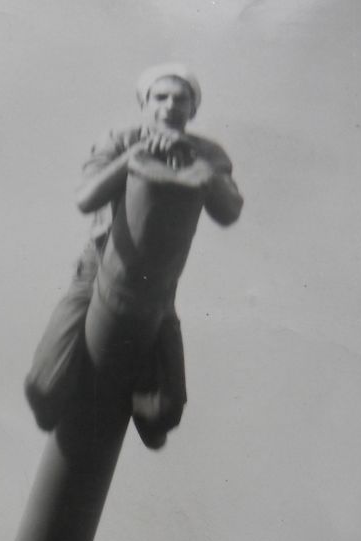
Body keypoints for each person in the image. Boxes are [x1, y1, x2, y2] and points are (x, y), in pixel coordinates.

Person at [25, 63, 243, 448]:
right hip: (96, 272)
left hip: (158, 288)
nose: (171, 106)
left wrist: (201, 170)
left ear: (192, 110)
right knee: (44, 392)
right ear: (145, 104)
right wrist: (134, 157)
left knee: (164, 412)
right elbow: (86, 197)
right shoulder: (120, 140)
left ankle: (144, 393)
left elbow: (228, 210)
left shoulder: (207, 153)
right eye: (161, 97)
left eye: (182, 99)